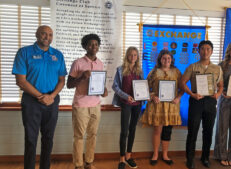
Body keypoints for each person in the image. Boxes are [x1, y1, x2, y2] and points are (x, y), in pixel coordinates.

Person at [12, 25, 67, 169]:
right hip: (32, 101)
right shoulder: (24, 52)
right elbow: (21, 81)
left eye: (50, 35)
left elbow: (62, 80)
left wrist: (52, 96)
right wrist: (41, 96)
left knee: (48, 139)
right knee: (31, 139)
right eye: (44, 34)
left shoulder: (58, 55)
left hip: (52, 101)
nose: (47, 37)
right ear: (36, 34)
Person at [67, 34, 108, 169]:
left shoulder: (100, 63)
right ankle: (78, 165)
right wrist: (81, 77)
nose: (93, 47)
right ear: (85, 46)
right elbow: (69, 84)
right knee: (79, 136)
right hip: (81, 105)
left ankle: (89, 163)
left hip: (96, 105)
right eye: (90, 44)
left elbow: (99, 83)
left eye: (96, 44)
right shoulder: (78, 62)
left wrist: (104, 90)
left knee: (93, 135)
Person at [180, 40, 223, 169]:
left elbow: (221, 86)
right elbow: (182, 83)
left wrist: (218, 94)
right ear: (198, 51)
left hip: (210, 101)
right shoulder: (192, 67)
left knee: (208, 131)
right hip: (196, 100)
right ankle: (190, 159)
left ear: (212, 51)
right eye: (203, 49)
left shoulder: (217, 69)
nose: (205, 51)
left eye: (208, 49)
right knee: (192, 131)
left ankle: (205, 158)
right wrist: (192, 94)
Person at [140, 49, 183, 166]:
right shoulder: (154, 72)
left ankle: (165, 154)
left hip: (171, 106)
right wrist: (152, 95)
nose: (166, 60)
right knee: (157, 130)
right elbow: (145, 88)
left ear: (172, 60)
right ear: (160, 59)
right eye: (164, 58)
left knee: (167, 131)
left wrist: (178, 97)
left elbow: (182, 87)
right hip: (157, 106)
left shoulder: (177, 72)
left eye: (169, 58)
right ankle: (155, 154)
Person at [112, 46, 143, 169]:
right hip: (125, 103)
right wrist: (126, 96)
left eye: (135, 55)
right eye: (130, 55)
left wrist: (144, 95)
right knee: (124, 131)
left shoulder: (139, 71)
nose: (133, 57)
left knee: (132, 130)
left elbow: (142, 86)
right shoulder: (120, 69)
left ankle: (129, 156)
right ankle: (122, 158)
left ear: (137, 57)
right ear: (127, 56)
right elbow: (115, 87)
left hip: (137, 104)